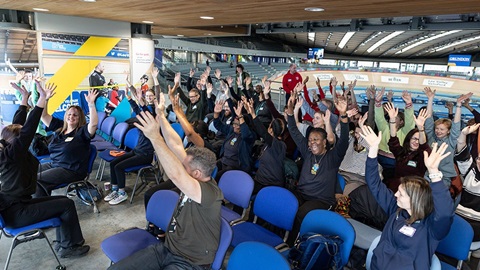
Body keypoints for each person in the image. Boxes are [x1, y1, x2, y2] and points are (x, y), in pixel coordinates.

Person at [109, 109, 222, 270]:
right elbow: (175, 144)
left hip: (191, 262)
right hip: (166, 249)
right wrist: (161, 115)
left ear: (197, 173)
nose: (181, 166)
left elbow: (176, 175)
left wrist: (155, 137)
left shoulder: (209, 193)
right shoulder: (196, 174)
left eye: (185, 167)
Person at [0, 80, 90, 258]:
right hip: (17, 212)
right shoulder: (13, 154)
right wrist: (41, 100)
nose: (26, 134)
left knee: (64, 202)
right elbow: (26, 130)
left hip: (16, 205)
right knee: (66, 205)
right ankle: (68, 247)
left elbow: (16, 127)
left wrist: (24, 99)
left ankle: (65, 243)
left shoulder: (7, 148)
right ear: (16, 141)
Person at [360, 125, 454, 270]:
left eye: (401, 194)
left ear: (415, 199)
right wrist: (373, 150)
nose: (395, 194)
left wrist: (434, 172)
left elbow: (445, 213)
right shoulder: (396, 209)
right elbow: (374, 184)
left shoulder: (432, 227)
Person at [286, 94, 349, 244]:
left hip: (321, 200)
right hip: (302, 193)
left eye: (316, 140)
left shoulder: (333, 157)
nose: (311, 143)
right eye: (310, 140)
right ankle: (280, 235)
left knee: (302, 213)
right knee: (286, 203)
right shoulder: (307, 152)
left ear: (325, 142)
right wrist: (290, 112)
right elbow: (293, 130)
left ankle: (292, 244)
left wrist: (344, 115)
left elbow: (344, 141)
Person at [104, 73, 157, 205]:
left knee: (119, 167)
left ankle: (122, 193)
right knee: (113, 164)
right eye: (147, 96)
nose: (148, 98)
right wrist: (130, 94)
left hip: (145, 154)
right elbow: (138, 110)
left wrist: (137, 100)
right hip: (138, 150)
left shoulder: (153, 116)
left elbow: (142, 111)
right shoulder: (145, 113)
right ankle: (115, 189)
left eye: (150, 96)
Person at [34, 89, 99, 197]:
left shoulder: (81, 131)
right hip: (55, 164)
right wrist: (45, 99)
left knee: (36, 180)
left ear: (80, 118)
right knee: (28, 171)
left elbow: (93, 124)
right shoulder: (60, 127)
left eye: (75, 115)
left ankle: (41, 208)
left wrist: (91, 104)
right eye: (69, 114)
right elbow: (44, 116)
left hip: (71, 169)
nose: (71, 117)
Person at [385, 103, 431, 192]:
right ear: (409, 139)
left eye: (419, 139)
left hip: (412, 191)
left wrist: (421, 128)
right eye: (414, 138)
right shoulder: (401, 152)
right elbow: (393, 139)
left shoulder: (422, 156)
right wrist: (392, 120)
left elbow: (424, 147)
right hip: (395, 188)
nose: (416, 141)